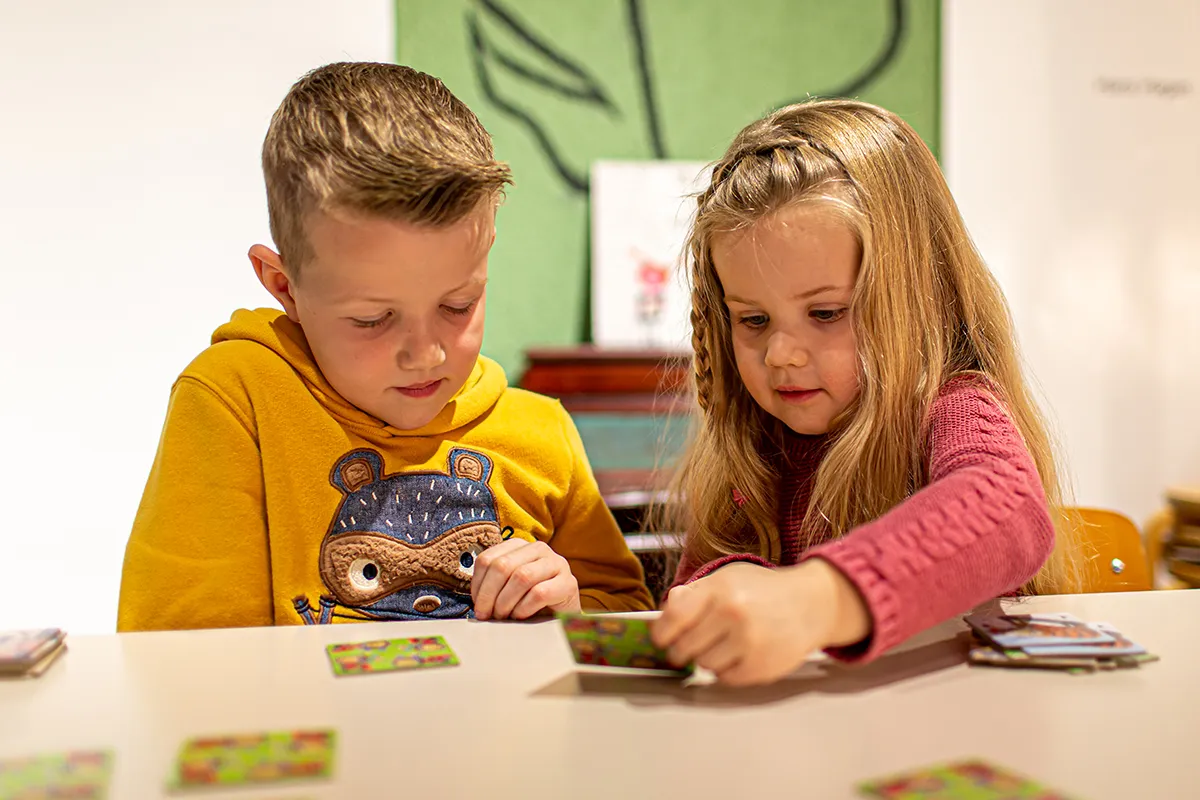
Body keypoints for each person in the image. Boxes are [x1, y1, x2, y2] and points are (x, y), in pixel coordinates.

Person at [118, 62, 652, 631]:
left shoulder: (545, 433)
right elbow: (177, 652)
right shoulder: (235, 399)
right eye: (373, 319)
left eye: (458, 306)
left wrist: (567, 609)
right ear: (283, 287)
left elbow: (627, 620)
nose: (425, 354)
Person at [651, 99, 1076, 685]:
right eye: (752, 321)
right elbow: (703, 598)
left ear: (917, 298)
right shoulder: (755, 443)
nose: (781, 355)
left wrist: (815, 600)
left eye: (826, 313)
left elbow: (1007, 509)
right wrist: (728, 584)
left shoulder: (952, 405)